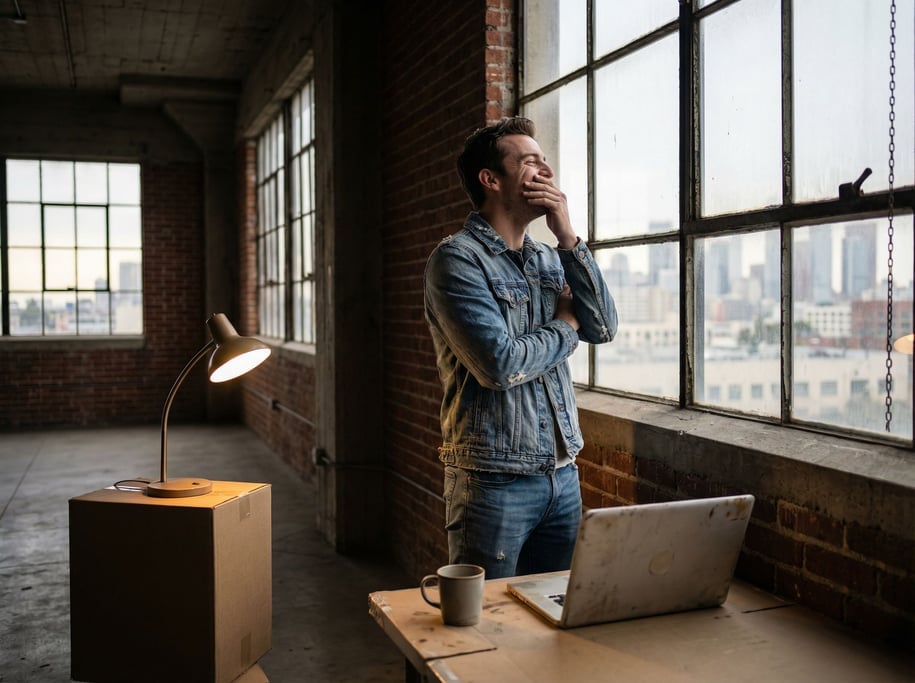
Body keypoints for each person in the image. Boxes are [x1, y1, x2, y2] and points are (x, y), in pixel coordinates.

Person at [423, 116, 618, 579]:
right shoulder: (457, 260)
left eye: (546, 162)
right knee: (485, 628)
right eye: (530, 163)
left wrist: (568, 236)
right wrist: (567, 327)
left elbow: (605, 327)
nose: (546, 172)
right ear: (491, 180)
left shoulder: (551, 258)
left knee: (553, 615)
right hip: (492, 482)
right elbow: (500, 363)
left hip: (562, 473)